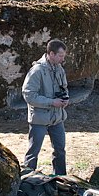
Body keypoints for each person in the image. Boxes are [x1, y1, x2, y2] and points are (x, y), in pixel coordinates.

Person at [22, 39, 69, 175]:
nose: (62, 59)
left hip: (57, 117)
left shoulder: (59, 69)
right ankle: (27, 182)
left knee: (60, 150)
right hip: (39, 119)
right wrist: (51, 102)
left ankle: (61, 180)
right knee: (33, 152)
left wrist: (65, 99)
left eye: (63, 56)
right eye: (60, 56)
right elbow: (29, 96)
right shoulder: (36, 71)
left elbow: (64, 87)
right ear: (51, 54)